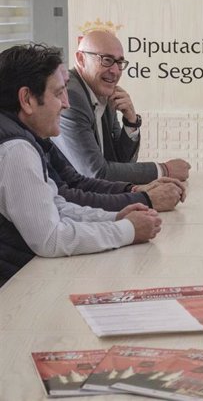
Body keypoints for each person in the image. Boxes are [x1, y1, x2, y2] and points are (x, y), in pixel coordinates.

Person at [0, 44, 162, 286]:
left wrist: (114, 217)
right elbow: (50, 240)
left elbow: (56, 206)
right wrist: (127, 231)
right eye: (58, 94)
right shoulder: (16, 150)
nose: (66, 104)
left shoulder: (22, 136)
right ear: (27, 99)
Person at [53, 29, 190, 184]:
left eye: (119, 62)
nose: (115, 71)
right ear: (80, 59)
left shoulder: (103, 91)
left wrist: (131, 122)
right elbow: (96, 173)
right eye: (106, 60)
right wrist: (164, 170)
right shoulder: (71, 96)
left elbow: (121, 162)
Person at [47, 67, 185, 212]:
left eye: (119, 62)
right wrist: (148, 195)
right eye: (58, 94)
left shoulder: (104, 94)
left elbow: (81, 181)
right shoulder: (75, 96)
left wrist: (131, 121)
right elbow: (94, 176)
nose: (65, 104)